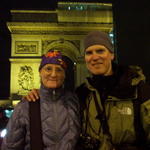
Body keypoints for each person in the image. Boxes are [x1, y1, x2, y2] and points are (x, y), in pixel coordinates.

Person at [22, 31, 150, 150]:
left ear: (111, 54)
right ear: (84, 58)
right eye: (89, 52)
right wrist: (42, 95)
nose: (95, 57)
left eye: (100, 51)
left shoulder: (139, 90)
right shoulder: (81, 94)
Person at [1, 49, 80, 150]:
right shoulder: (24, 107)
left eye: (59, 70)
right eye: (48, 69)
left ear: (64, 75)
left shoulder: (74, 101)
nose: (53, 74)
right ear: (39, 72)